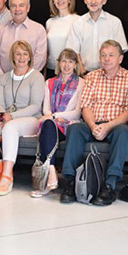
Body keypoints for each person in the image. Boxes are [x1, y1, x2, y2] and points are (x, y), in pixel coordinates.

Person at [59, 40, 128, 205]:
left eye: (111, 55)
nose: (106, 59)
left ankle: (110, 185)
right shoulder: (92, 77)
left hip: (115, 125)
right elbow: (86, 106)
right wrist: (93, 125)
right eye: (103, 55)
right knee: (75, 129)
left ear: (120, 59)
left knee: (124, 132)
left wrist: (108, 126)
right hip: (92, 124)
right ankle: (70, 182)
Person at [0, 40, 45, 196]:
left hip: (30, 118)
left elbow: (35, 106)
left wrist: (11, 116)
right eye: (18, 53)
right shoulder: (5, 78)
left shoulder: (36, 77)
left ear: (29, 57)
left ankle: (6, 176)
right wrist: (2, 115)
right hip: (5, 116)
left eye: (25, 54)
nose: (21, 57)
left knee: (10, 127)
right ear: (12, 56)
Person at [30, 48, 84, 198]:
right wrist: (53, 117)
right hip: (52, 124)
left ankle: (46, 181)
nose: (67, 65)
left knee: (48, 123)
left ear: (75, 64)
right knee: (47, 125)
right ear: (59, 63)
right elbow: (46, 109)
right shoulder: (49, 82)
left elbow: (77, 112)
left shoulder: (82, 83)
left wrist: (55, 116)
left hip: (69, 125)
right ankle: (52, 170)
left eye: (71, 61)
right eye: (64, 61)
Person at [66, 0, 128, 73]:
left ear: (104, 0)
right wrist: (82, 72)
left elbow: (120, 51)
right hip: (84, 73)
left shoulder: (114, 22)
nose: (93, 1)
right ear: (85, 0)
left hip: (109, 74)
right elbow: (73, 51)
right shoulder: (78, 23)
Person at [0, 0, 47, 77]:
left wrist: (26, 77)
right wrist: (1, 76)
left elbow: (40, 58)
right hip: (3, 80)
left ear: (28, 8)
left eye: (21, 5)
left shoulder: (38, 29)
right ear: (9, 9)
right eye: (13, 6)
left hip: (29, 81)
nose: (17, 9)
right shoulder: (1, 29)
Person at [45, 0, 79, 77]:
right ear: (53, 1)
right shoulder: (49, 22)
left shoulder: (77, 20)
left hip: (70, 70)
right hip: (51, 69)